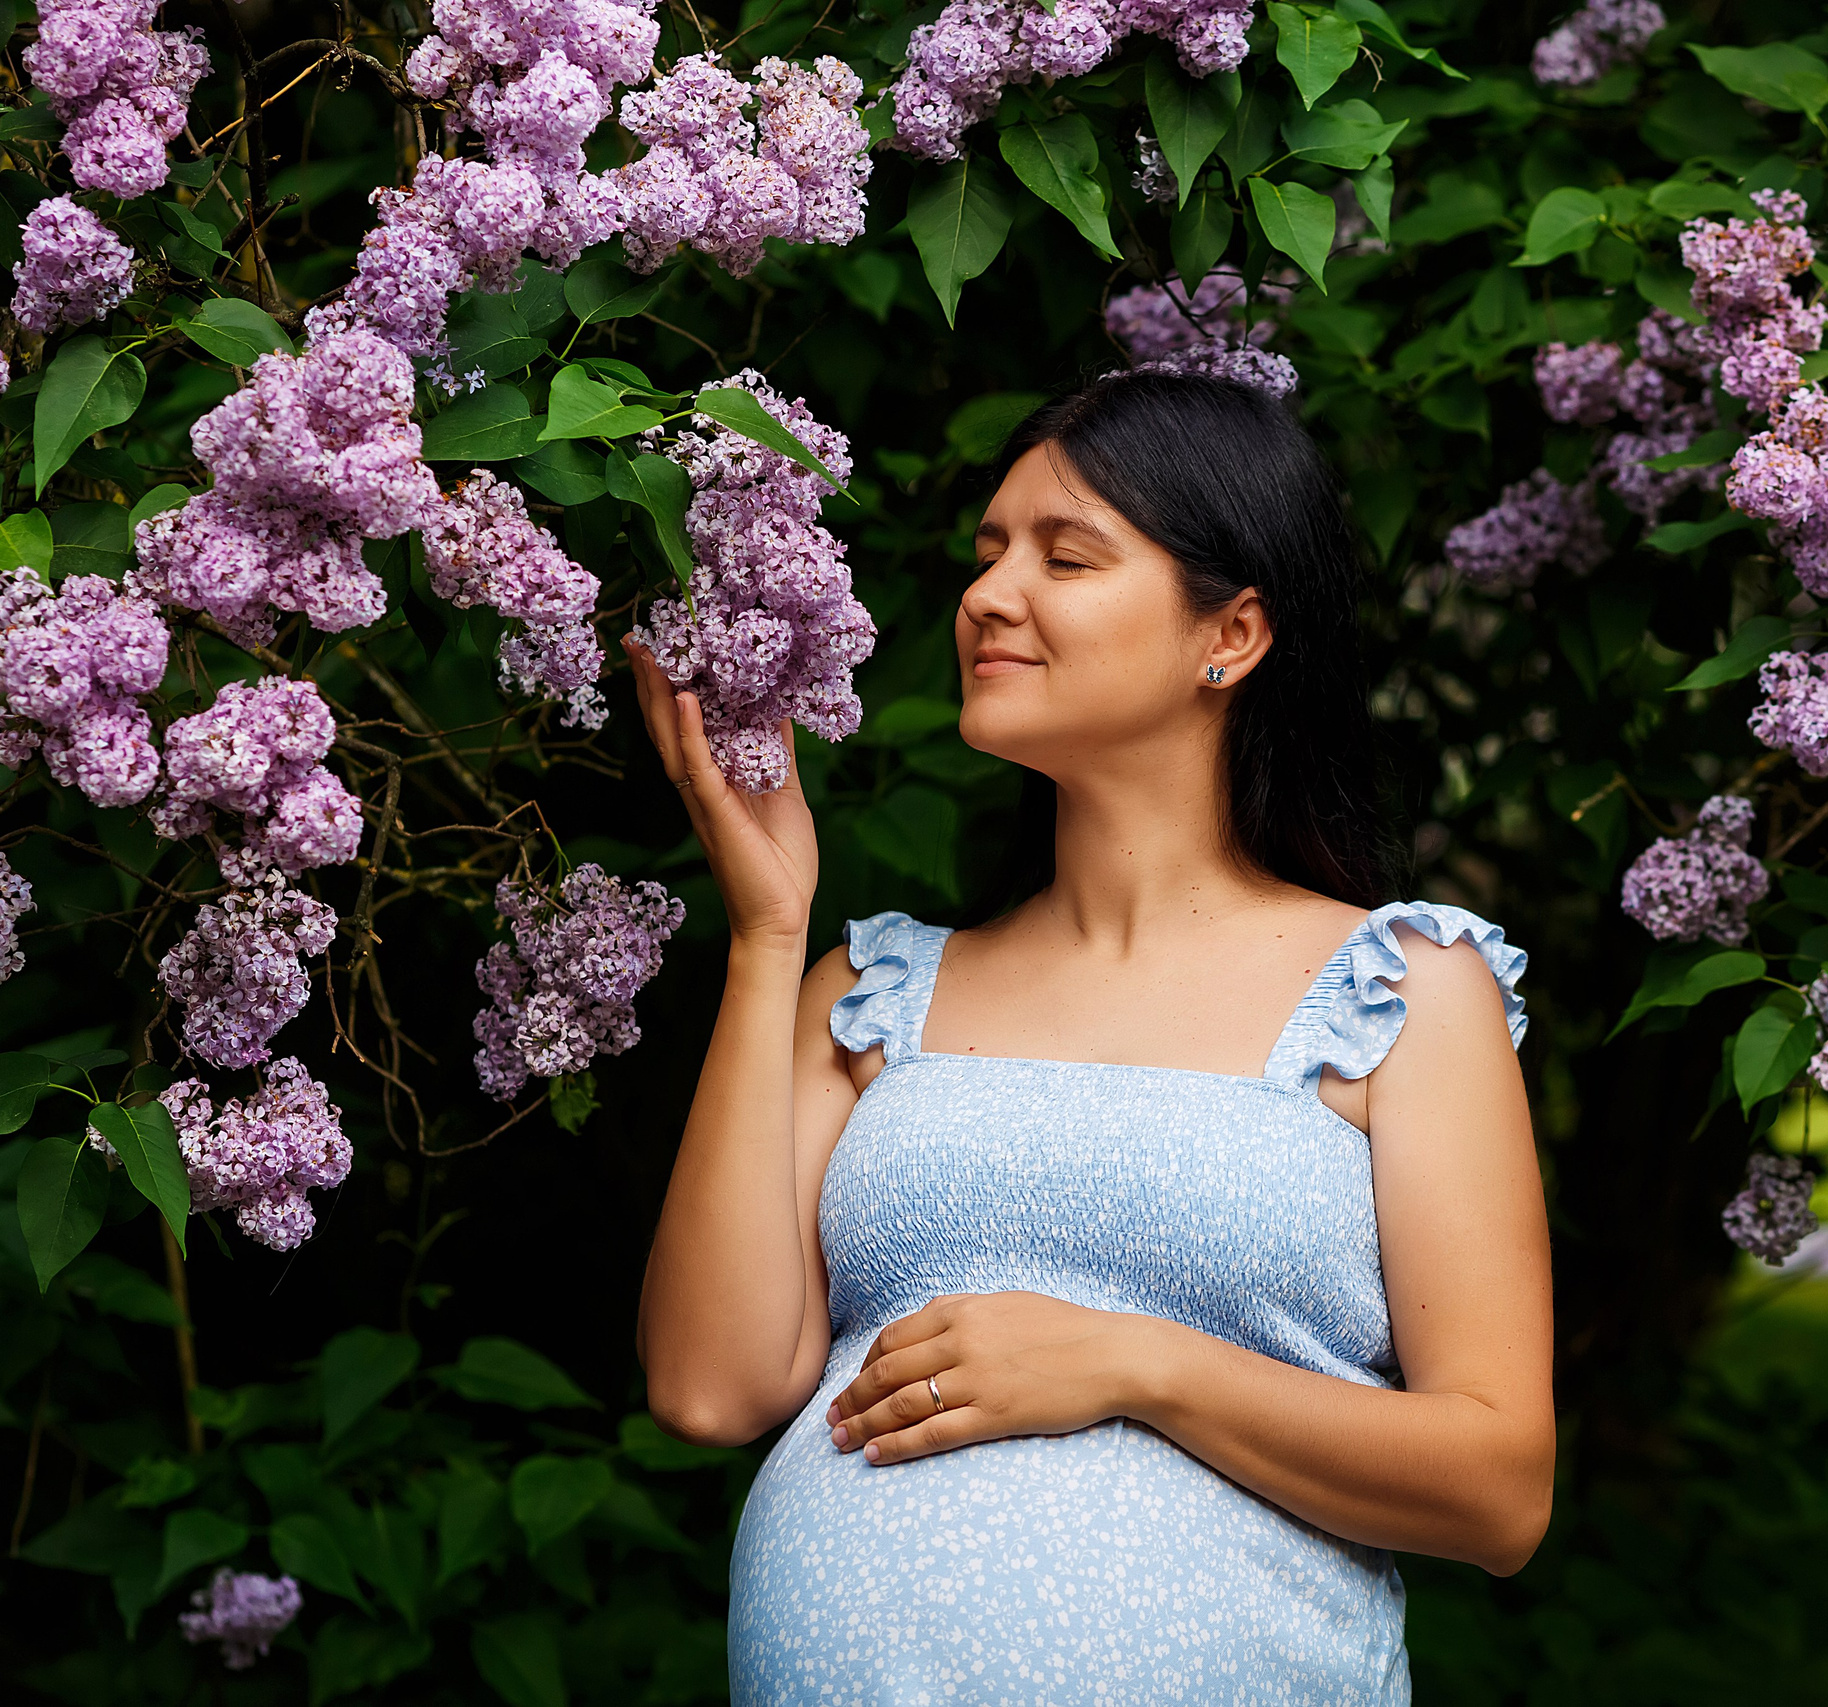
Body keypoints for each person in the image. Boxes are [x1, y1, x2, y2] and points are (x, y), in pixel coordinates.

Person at [626, 369, 1552, 1704]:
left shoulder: (1401, 991)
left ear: (1229, 632)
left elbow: (1499, 1486)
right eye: (989, 552)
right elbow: (710, 1389)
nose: (992, 595)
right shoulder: (871, 991)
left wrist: (1129, 1363)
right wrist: (768, 938)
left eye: (1067, 556)